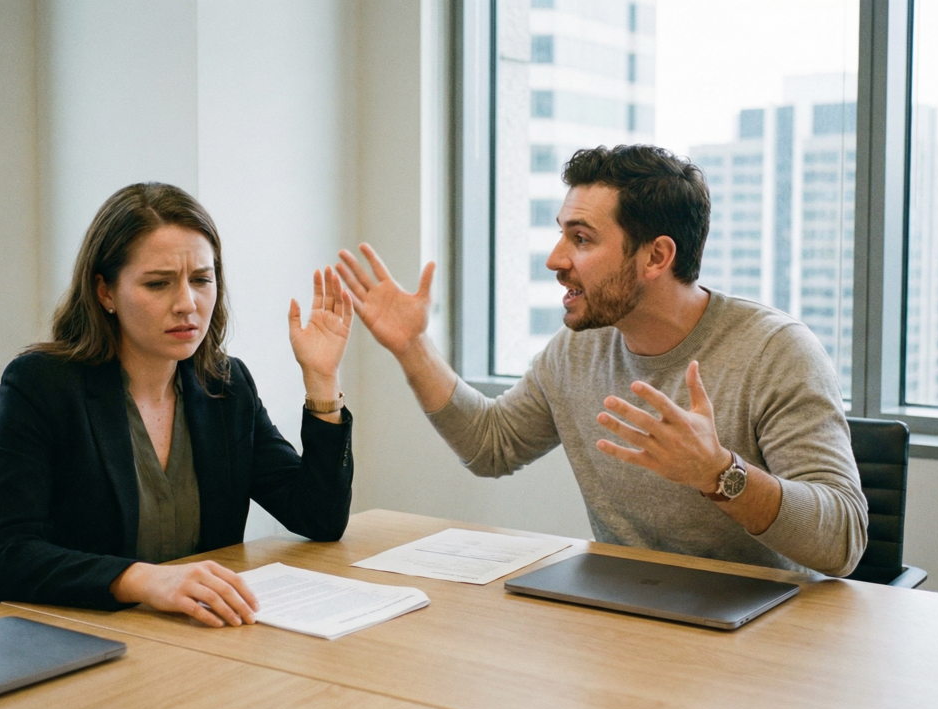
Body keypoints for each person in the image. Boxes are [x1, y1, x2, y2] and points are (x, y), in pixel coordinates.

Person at [337, 144, 867, 577]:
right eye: (562, 232)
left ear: (656, 257)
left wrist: (719, 473)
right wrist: (412, 348)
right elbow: (490, 446)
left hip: (771, 634)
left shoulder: (776, 351)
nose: (555, 259)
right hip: (630, 614)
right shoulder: (580, 346)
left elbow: (842, 541)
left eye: (581, 238)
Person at [0, 182, 355, 628]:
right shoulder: (42, 385)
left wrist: (322, 382)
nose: (186, 304)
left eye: (201, 280)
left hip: (192, 638)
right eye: (158, 284)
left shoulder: (227, 386)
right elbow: (1, 556)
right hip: (82, 637)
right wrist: (144, 581)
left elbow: (318, 516)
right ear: (105, 292)